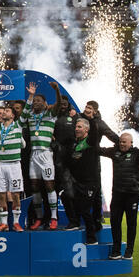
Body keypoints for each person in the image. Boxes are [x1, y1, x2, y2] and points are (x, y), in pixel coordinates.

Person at [100, 132, 139, 260]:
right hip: (117, 194)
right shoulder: (115, 152)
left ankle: (129, 251)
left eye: (124, 142)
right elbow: (100, 150)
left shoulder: (137, 153)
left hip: (132, 195)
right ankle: (116, 250)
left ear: (131, 143)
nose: (122, 144)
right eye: (120, 141)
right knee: (115, 222)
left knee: (131, 223)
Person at [21, 81, 61, 230]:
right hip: (33, 156)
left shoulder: (50, 114)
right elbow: (22, 118)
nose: (36, 103)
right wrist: (30, 96)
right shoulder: (30, 115)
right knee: (35, 187)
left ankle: (54, 218)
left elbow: (57, 105)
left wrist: (56, 90)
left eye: (39, 101)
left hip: (46, 154)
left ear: (45, 104)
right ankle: (38, 218)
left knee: (50, 186)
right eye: (34, 101)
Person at [81, 100, 119, 231]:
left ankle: (97, 219)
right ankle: (78, 220)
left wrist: (118, 147)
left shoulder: (99, 123)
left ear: (95, 111)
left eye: (90, 108)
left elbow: (113, 136)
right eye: (86, 107)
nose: (87, 109)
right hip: (77, 159)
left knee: (96, 192)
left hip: (93, 160)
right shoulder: (79, 118)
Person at [0, 105, 25, 232]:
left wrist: (31, 96)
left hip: (14, 165)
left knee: (16, 194)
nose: (3, 113)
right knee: (1, 195)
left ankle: (16, 223)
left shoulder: (18, 126)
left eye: (7, 111)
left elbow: (25, 111)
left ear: (13, 115)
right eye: (3, 111)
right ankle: (4, 224)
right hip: (1, 165)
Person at [66, 117, 99, 245]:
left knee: (85, 210)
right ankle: (74, 222)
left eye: (79, 127)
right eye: (76, 126)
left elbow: (95, 133)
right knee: (65, 195)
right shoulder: (75, 144)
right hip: (78, 183)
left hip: (90, 183)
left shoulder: (90, 141)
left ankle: (92, 238)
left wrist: (91, 119)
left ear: (87, 129)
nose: (76, 129)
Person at [53, 96, 79, 230]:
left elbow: (85, 127)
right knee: (51, 192)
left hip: (70, 161)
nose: (63, 105)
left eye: (65, 103)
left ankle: (74, 221)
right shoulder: (52, 116)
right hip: (52, 159)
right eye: (60, 103)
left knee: (69, 192)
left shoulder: (75, 116)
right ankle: (52, 220)